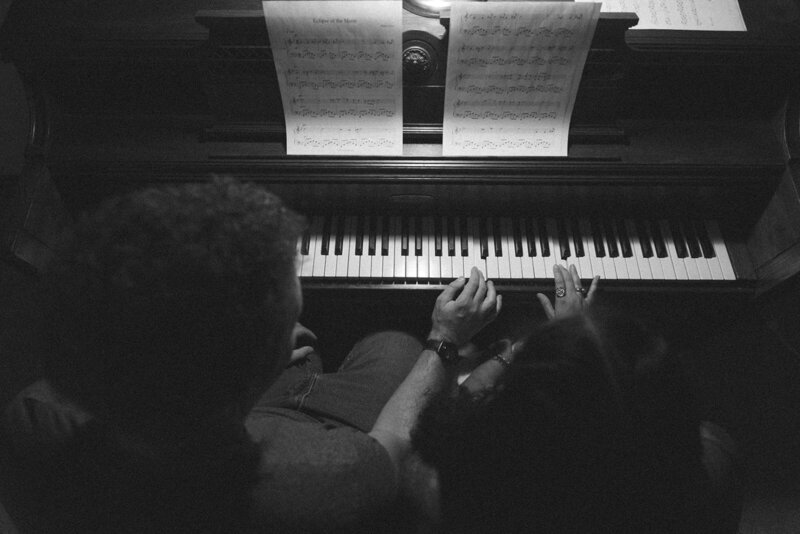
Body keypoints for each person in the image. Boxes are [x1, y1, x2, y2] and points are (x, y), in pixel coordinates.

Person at [0, 177, 503, 533]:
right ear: (256, 369)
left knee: (382, 346)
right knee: (395, 343)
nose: (295, 334)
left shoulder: (34, 414)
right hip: (313, 437)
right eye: (289, 321)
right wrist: (445, 338)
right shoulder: (324, 478)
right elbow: (393, 439)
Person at [411, 265, 742, 533]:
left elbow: (424, 435)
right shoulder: (710, 464)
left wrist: (517, 350)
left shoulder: (464, 488)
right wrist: (570, 347)